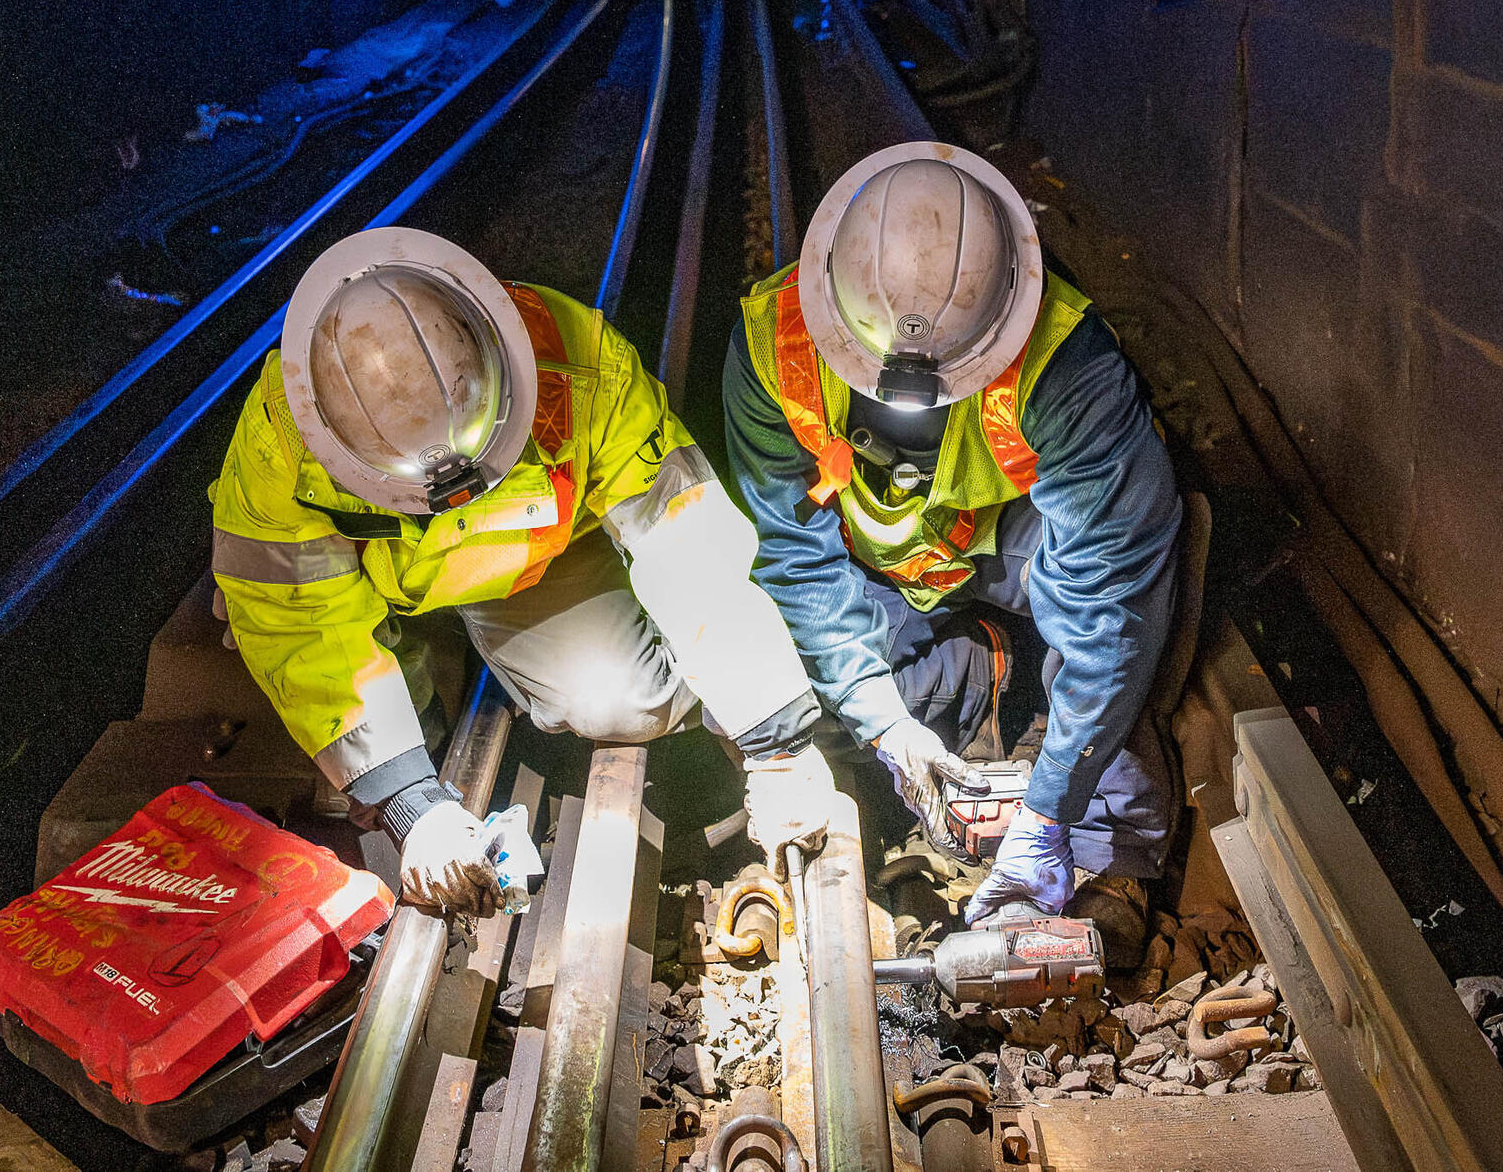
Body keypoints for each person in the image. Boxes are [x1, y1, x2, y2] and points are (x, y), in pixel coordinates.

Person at [208, 226, 827, 918]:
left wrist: (774, 738)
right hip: (370, 588)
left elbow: (687, 544)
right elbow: (294, 619)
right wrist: (408, 798)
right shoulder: (280, 448)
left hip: (516, 573)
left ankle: (448, 669)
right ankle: (405, 710)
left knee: (622, 701)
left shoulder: (582, 370)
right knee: (331, 709)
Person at [722, 142, 1187, 933]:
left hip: (1014, 545)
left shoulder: (1065, 362)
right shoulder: (774, 347)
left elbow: (1111, 600)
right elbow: (795, 557)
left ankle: (1108, 848)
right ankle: (985, 673)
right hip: (881, 571)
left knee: (1130, 633)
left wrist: (1049, 816)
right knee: (785, 683)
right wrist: (883, 725)